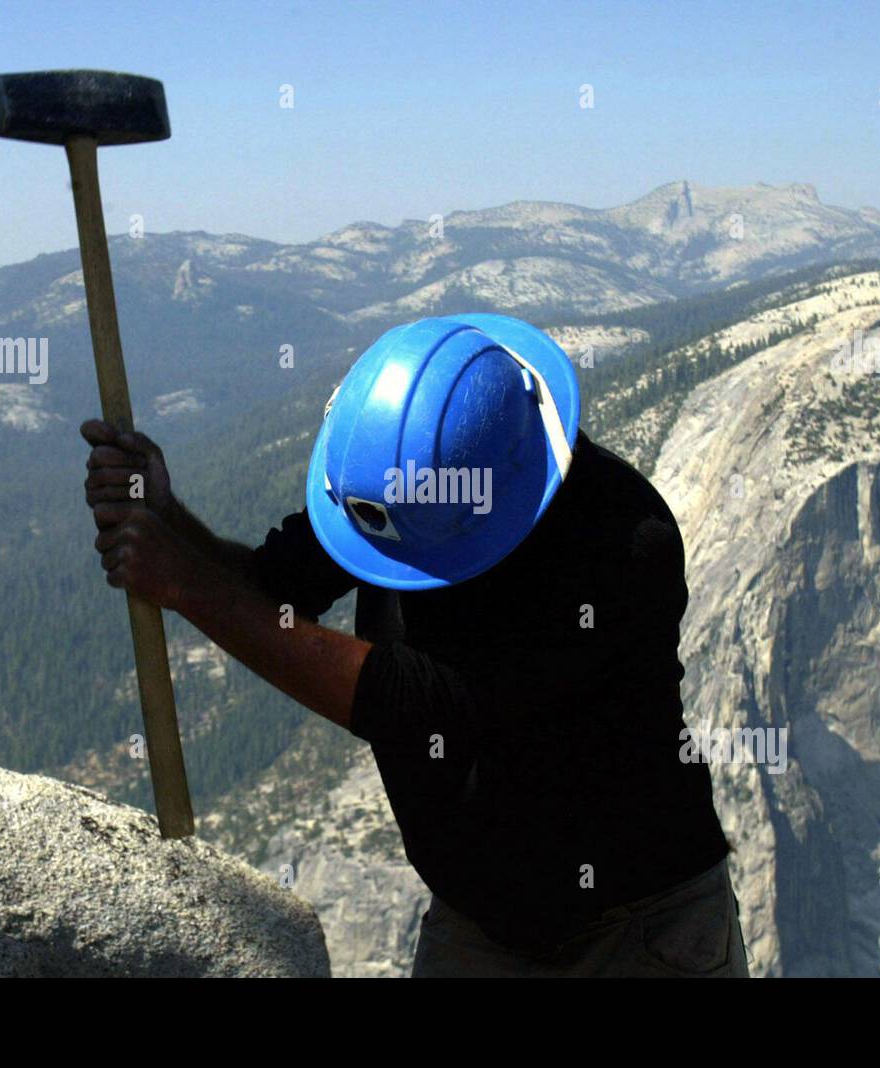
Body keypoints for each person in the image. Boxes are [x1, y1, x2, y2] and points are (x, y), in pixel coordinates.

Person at [81, 312, 748, 977]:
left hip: (638, 928)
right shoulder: (402, 482)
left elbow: (421, 705)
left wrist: (186, 585)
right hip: (477, 920)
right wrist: (165, 513)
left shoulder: (620, 544)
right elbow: (277, 590)